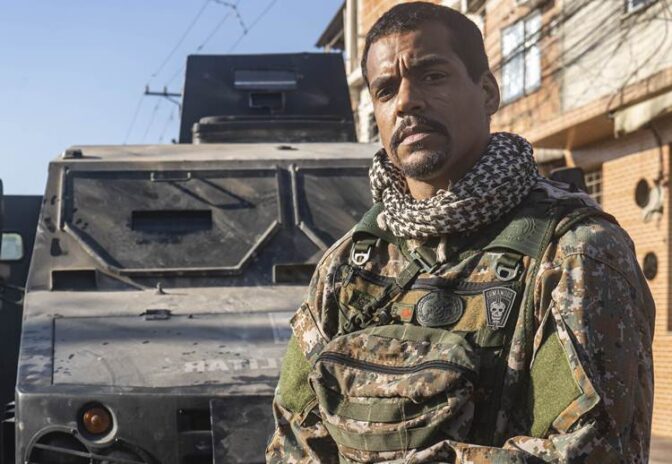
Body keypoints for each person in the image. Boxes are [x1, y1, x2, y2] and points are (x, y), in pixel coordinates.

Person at [266, 2, 655, 463]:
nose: (406, 102)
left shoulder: (573, 254)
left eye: (432, 76)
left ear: (487, 92)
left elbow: (589, 451)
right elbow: (293, 439)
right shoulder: (348, 265)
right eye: (386, 90)